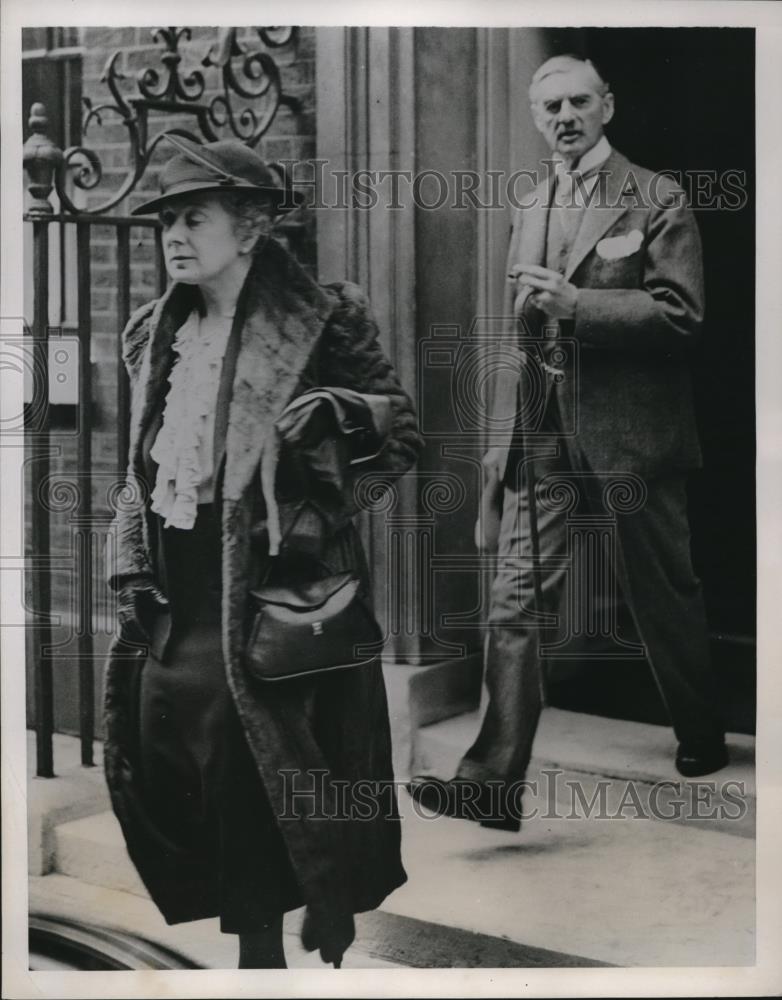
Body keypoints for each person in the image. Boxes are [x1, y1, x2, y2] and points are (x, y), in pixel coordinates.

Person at [102, 135, 422, 968]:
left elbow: (400, 435)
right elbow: (135, 470)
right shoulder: (151, 334)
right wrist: (130, 554)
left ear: (248, 228)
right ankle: (260, 946)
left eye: (193, 217)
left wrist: (323, 465)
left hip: (281, 598)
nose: (175, 234)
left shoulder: (325, 317)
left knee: (265, 780)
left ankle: (264, 963)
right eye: (167, 218)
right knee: (196, 771)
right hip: (182, 594)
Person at [408, 53, 728, 833]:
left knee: (663, 593)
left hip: (633, 437)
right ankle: (490, 782)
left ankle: (700, 731)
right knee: (514, 601)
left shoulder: (656, 196)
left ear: (607, 107)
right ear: (535, 115)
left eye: (580, 102)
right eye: (550, 106)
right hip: (543, 434)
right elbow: (517, 338)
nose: (565, 117)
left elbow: (683, 316)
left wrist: (579, 301)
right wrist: (500, 443)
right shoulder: (531, 202)